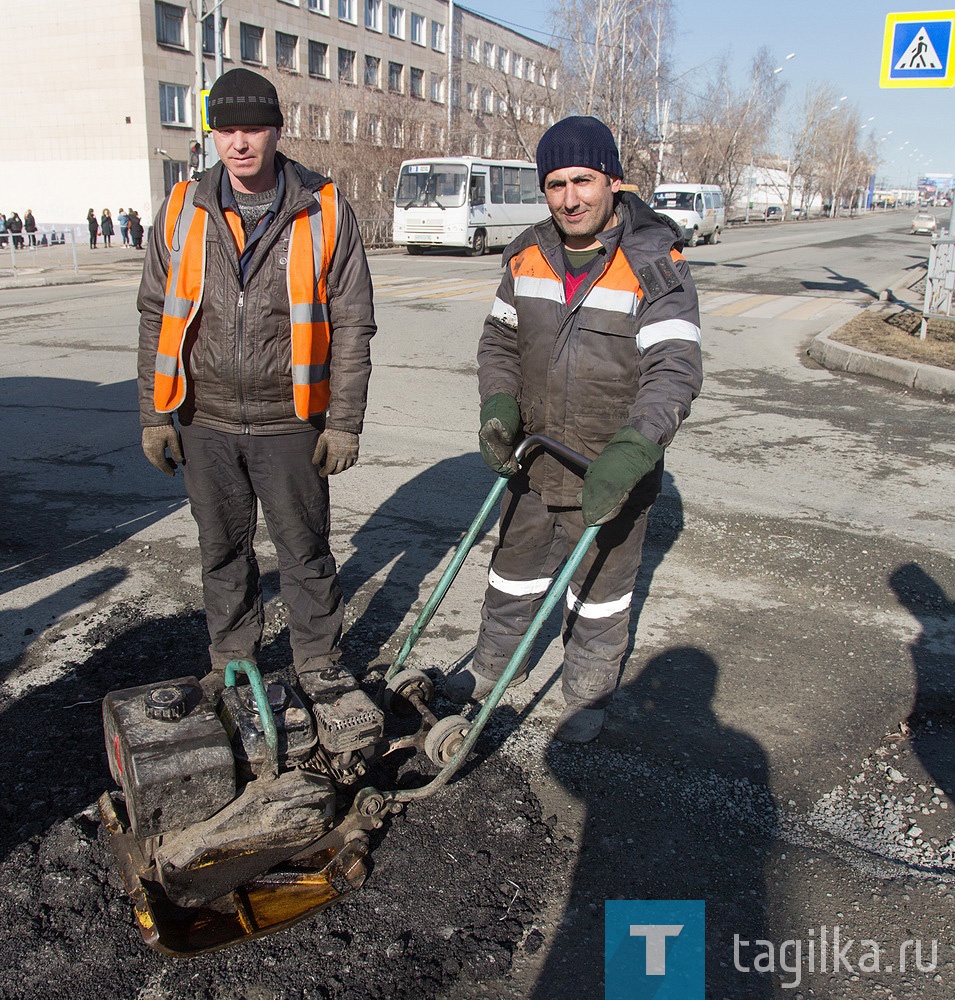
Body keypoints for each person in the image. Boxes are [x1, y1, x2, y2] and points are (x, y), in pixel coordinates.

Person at [444, 116, 703, 744]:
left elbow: (674, 369)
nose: (569, 197)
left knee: (600, 594)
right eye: (555, 184)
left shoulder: (654, 263)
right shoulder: (528, 254)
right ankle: (488, 671)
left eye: (582, 180)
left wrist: (634, 451)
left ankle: (587, 692)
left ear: (613, 180)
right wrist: (498, 407)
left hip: (610, 470)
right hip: (536, 460)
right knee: (512, 575)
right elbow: (500, 343)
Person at [137, 67, 376, 698]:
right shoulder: (182, 208)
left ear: (276, 131)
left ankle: (318, 664)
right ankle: (230, 659)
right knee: (220, 552)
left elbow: (353, 324)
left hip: (289, 421)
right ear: (213, 134)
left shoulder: (324, 209)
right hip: (204, 419)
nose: (239, 143)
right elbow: (155, 314)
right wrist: (154, 414)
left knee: (304, 552)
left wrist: (345, 422)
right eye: (226, 130)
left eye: (252, 129)